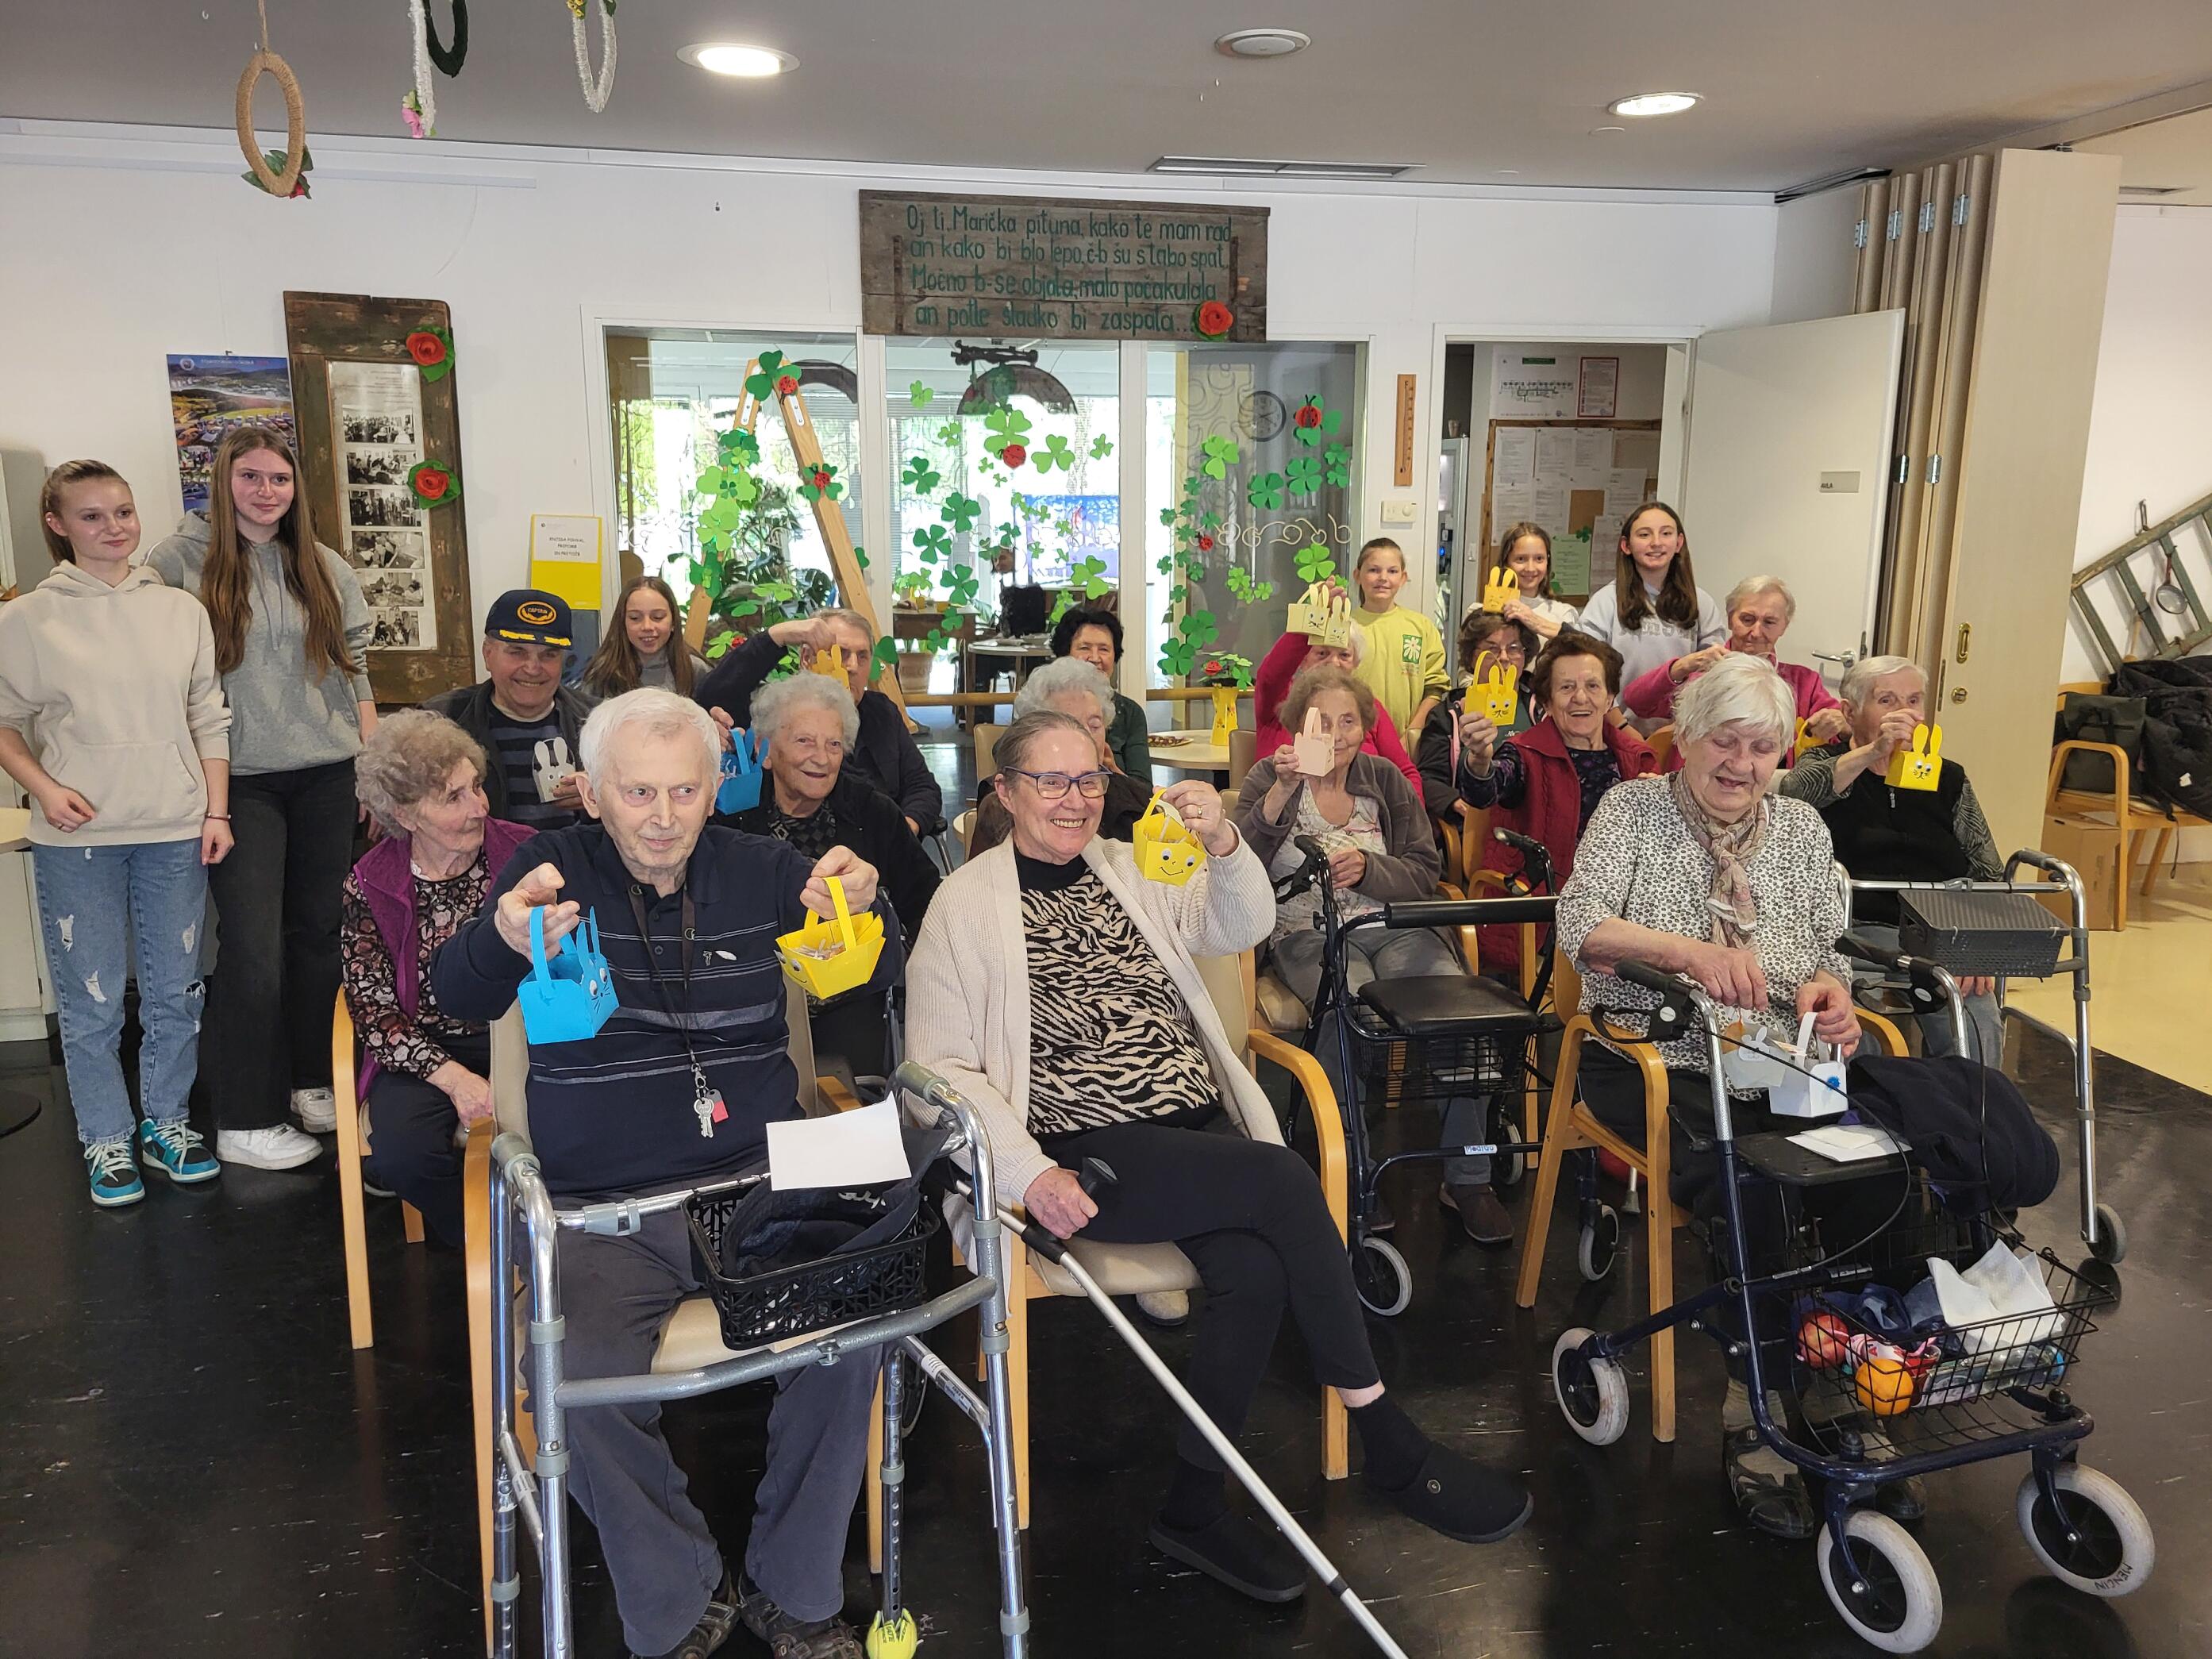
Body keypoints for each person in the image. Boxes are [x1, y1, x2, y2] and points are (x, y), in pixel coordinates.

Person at [906, 708, 1532, 1607]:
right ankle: (1388, 1440)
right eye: (1050, 781)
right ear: (1003, 791)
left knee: (1254, 1270)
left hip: (1193, 1128)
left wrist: (1228, 841)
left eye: (1089, 779)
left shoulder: (1129, 865)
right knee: (1282, 1176)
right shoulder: (963, 904)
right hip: (1084, 1153)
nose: (1075, 799)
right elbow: (937, 1072)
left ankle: (1194, 1508)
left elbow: (1238, 923)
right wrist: (1028, 1173)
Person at [431, 688, 897, 1659]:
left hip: (762, 1192)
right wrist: (503, 937)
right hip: (605, 1212)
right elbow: (456, 990)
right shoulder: (549, 869)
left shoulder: (761, 866)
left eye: (684, 790)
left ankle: (795, 1586)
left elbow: (877, 963)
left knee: (852, 1329)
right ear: (593, 791)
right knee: (571, 1369)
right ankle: (677, 1593)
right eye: (638, 791)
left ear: (713, 788)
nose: (662, 815)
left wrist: (864, 901)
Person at [1556, 652, 1881, 1541]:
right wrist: (1691, 953)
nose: (1741, 765)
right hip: (1650, 1053)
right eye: (1724, 743)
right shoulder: (1634, 809)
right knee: (1756, 1181)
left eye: (1761, 747)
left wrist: (1831, 995)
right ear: (1687, 739)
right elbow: (1580, 926)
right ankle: (1758, 1406)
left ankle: (1843, 1375)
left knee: (1875, 1165)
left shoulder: (1801, 828)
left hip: (1776, 1058)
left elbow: (1825, 950)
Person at [0, 460, 229, 1206]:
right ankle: (105, 1135)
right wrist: (45, 789)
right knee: (93, 999)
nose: (114, 527)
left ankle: (168, 1124)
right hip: (79, 837)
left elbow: (207, 717)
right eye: (92, 515)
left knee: (176, 992)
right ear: (58, 525)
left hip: (175, 828)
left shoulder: (180, 611)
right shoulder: (26, 620)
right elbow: (3, 723)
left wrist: (216, 811)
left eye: (123, 511)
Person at [148, 425, 376, 1170]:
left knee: (319, 937)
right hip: (237, 780)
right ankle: (245, 1117)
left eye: (279, 478)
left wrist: (370, 768)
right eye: (250, 476)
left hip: (327, 773)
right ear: (223, 482)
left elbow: (356, 669)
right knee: (252, 948)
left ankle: (313, 1082)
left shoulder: (324, 565)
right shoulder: (177, 562)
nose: (266, 491)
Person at [1234, 668, 1514, 1244]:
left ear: (1365, 728)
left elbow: (1424, 869)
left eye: (1348, 721)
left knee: (1454, 1010)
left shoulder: (1383, 778)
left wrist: (1369, 869)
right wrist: (1282, 791)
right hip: (1308, 932)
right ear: (1298, 725)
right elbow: (1236, 869)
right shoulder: (1270, 775)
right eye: (1321, 721)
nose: (1335, 734)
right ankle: (1352, 1171)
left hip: (1393, 926)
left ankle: (1468, 1179)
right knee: (1346, 1011)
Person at [341, 710, 533, 1246]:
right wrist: (454, 1079)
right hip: (425, 1050)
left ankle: (554, 1237)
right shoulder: (370, 883)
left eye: (476, 786)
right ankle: (498, 1246)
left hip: (525, 1037)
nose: (479, 807)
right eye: (453, 797)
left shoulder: (524, 852)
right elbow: (372, 1009)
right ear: (405, 814)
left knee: (569, 1128)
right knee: (403, 1156)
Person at [1778, 654, 2006, 1063]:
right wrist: (1874, 751)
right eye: (1886, 701)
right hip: (1854, 930)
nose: (1904, 713)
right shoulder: (1827, 764)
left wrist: (1975, 946)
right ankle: (1863, 1100)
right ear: (1850, 712)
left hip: (1940, 930)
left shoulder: (1947, 776)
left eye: (1914, 701)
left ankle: (1972, 1102)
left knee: (1977, 1015)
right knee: (1850, 1024)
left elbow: (1988, 869)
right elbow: (1796, 792)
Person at [1451, 633, 1655, 973]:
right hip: (1546, 914)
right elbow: (1484, 791)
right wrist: (1480, 760)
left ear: (1610, 699)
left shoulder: (1637, 758)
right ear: (1546, 701)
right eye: (1566, 687)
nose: (1580, 698)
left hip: (1624, 912)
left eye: (1593, 686)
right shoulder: (1524, 753)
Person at [721, 673, 940, 945]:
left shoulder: (874, 812)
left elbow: (928, 906)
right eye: (804, 741)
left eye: (833, 744)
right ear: (763, 749)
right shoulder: (734, 818)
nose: (822, 759)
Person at [697, 609, 944, 835]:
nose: (852, 667)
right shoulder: (778, 714)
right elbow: (713, 694)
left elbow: (923, 786)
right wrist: (777, 636)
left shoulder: (882, 712)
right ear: (807, 658)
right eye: (841, 654)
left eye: (863, 656)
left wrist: (902, 832)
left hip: (883, 849)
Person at [1620, 574, 1849, 758]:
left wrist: (1840, 723)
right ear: (1730, 619)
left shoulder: (1804, 682)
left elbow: (1846, 728)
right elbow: (1637, 702)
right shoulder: (1700, 673)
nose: (1756, 632)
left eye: (1769, 622)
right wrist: (1682, 666)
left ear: (1784, 627)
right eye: (1747, 619)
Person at [426, 589, 594, 833]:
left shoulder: (601, 721)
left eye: (549, 655)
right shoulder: (439, 722)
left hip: (575, 856)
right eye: (517, 652)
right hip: (481, 856)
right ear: (488, 654)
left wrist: (603, 793)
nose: (533, 668)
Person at [970, 657, 1152, 858]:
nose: (1085, 738)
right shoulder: (1004, 801)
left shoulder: (1132, 799)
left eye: (1095, 725)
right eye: (1071, 724)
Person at [1253, 601, 1424, 794]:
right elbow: (1270, 676)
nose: (1334, 663)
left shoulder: (1368, 707)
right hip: (1283, 809)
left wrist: (1409, 812)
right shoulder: (1280, 700)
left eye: (1344, 655)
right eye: (1322, 653)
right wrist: (1312, 620)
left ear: (1356, 662)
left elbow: (1406, 773)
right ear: (1302, 658)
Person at [1569, 501, 1726, 698]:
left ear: (1679, 543)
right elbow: (1586, 667)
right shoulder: (1605, 601)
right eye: (1644, 535)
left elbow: (1712, 669)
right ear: (1626, 545)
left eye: (1666, 533)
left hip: (1682, 716)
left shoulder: (1701, 602)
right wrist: (1616, 716)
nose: (1656, 542)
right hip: (1617, 716)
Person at [1416, 610, 1536, 820]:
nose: (1504, 658)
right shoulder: (1448, 713)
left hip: (1531, 817)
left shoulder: (1540, 707)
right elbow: (1429, 777)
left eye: (1514, 648)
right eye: (1492, 649)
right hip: (1473, 822)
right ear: (1472, 657)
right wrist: (1454, 803)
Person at [1347, 537, 1448, 737]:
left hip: (1405, 741)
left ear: (1403, 578)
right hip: (1354, 739)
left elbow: (1435, 689)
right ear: (1358, 575)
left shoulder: (1421, 627)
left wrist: (1412, 733)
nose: (1383, 578)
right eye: (1374, 570)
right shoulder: (1344, 626)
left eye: (1392, 571)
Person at [1050, 602, 1151, 780]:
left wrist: (1112, 770)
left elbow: (1144, 788)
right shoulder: (1045, 703)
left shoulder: (1130, 712)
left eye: (1104, 649)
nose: (1095, 658)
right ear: (1064, 654)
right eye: (1084, 648)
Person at [583, 573, 710, 700]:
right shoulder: (603, 672)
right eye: (635, 618)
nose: (647, 626)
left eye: (658, 617)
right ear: (622, 623)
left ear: (673, 622)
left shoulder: (695, 669)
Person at [1488, 522, 1582, 640]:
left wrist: (1535, 621)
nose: (1530, 568)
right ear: (1506, 562)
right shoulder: (1485, 611)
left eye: (1539, 559)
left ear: (1547, 561)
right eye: (1521, 559)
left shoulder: (1564, 614)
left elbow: (1581, 645)